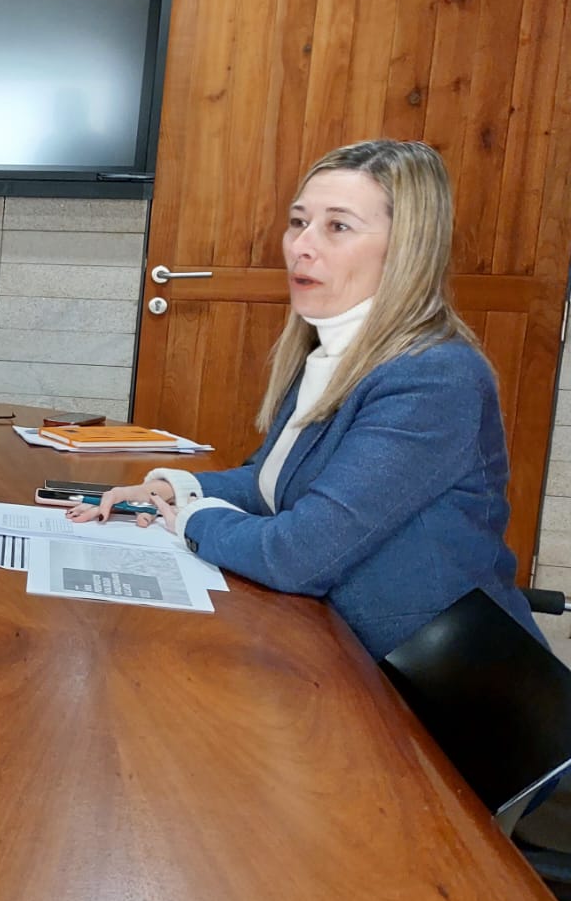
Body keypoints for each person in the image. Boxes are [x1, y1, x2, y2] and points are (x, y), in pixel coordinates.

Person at [72, 139, 542, 658]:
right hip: (333, 646)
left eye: (337, 226)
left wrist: (188, 520)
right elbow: (277, 484)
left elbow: (297, 555)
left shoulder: (434, 377)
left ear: (407, 249)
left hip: (434, 688)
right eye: (299, 222)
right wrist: (173, 486)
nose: (301, 245)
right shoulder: (331, 349)